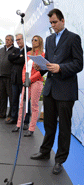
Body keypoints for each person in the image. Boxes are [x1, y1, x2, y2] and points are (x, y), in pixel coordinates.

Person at [30, 9, 83, 175]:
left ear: (63, 20)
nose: (52, 26)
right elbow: (49, 64)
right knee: (48, 124)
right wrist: (42, 67)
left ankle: (60, 160)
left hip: (66, 90)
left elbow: (78, 64)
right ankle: (45, 152)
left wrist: (61, 68)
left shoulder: (74, 38)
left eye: (55, 22)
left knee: (65, 127)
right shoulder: (50, 39)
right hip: (50, 89)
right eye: (50, 23)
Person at [12, 35, 44, 137]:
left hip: (36, 82)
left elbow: (41, 71)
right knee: (22, 104)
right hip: (26, 82)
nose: (33, 41)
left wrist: (31, 79)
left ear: (39, 42)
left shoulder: (42, 54)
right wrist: (24, 79)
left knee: (34, 106)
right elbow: (25, 68)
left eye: (35, 40)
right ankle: (18, 125)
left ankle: (31, 128)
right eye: (32, 40)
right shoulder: (28, 53)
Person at [7, 34, 31, 126]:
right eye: (16, 40)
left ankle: (25, 121)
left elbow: (23, 61)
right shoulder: (15, 50)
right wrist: (19, 56)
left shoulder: (29, 50)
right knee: (14, 100)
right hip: (14, 79)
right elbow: (10, 58)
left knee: (25, 101)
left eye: (19, 39)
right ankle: (14, 118)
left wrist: (17, 58)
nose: (18, 41)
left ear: (24, 39)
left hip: (24, 80)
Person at [0, 35, 17, 120]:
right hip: (1, 76)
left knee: (11, 97)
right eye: (6, 39)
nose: (7, 41)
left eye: (8, 40)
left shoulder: (15, 50)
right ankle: (2, 113)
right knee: (2, 96)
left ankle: (10, 115)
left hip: (9, 77)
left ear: (12, 42)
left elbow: (16, 63)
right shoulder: (1, 50)